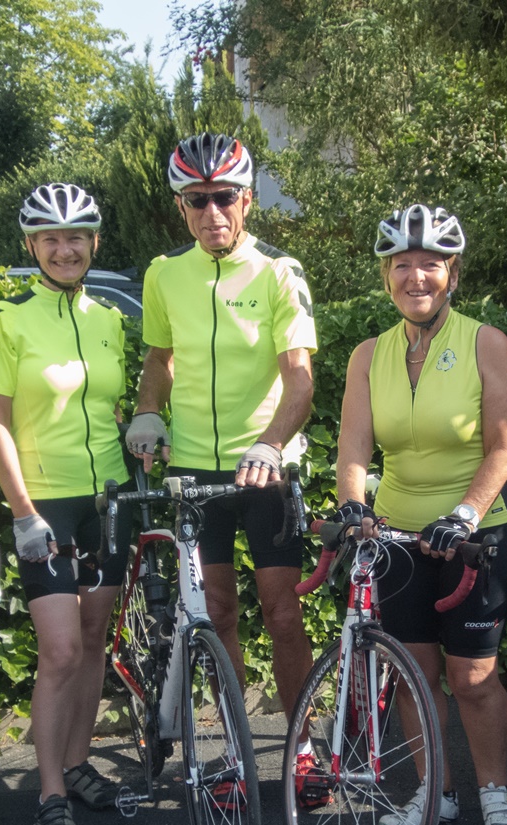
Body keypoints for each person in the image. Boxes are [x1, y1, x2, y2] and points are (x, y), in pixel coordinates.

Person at [336, 204, 507, 825]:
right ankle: (434, 790)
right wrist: (353, 506)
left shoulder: (484, 342)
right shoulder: (369, 354)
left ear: (452, 274)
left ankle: (496, 792)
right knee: (413, 675)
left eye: (430, 264)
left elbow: (504, 444)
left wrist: (465, 513)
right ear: (386, 276)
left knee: (472, 677)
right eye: (402, 265)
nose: (415, 276)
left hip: (475, 536)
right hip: (398, 537)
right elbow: (354, 446)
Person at [125, 133, 316, 738]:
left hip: (264, 468)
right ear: (181, 205)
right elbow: (160, 357)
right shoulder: (164, 274)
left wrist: (270, 444)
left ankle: (301, 744)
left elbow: (301, 380)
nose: (212, 212)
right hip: (193, 469)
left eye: (225, 197)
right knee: (217, 612)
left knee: (283, 613)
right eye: (197, 199)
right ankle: (236, 745)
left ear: (247, 199)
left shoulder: (278, 271)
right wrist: (147, 409)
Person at [0, 183, 130, 825]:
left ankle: (75, 763)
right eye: (50, 239)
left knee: (94, 642)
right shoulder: (6, 318)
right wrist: (22, 510)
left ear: (93, 243)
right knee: (61, 650)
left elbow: (110, 407)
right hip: (45, 503)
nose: (64, 249)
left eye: (75, 238)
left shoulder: (109, 318)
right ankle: (49, 795)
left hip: (108, 500)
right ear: (32, 245)